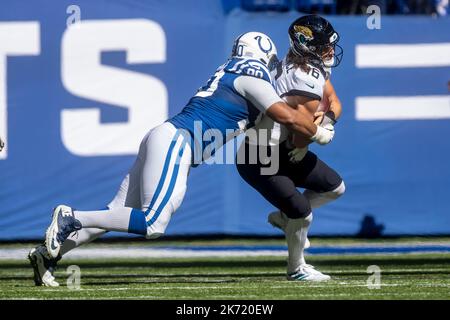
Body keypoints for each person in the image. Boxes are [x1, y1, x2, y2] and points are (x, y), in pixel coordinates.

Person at [29, 31, 335, 287]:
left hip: (166, 137)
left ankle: (47, 254)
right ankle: (72, 217)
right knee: (153, 223)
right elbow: (285, 116)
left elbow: (275, 125)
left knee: (116, 212)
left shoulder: (230, 69)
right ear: (264, 56)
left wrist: (306, 124)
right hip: (178, 142)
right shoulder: (251, 72)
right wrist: (319, 132)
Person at [236, 15, 345, 281]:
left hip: (281, 148)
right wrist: (316, 136)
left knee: (334, 188)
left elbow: (334, 102)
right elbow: (300, 129)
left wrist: (328, 121)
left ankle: (286, 218)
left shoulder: (309, 67)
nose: (330, 51)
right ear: (306, 46)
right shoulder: (303, 77)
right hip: (259, 155)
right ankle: (296, 268)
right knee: (303, 213)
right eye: (323, 46)